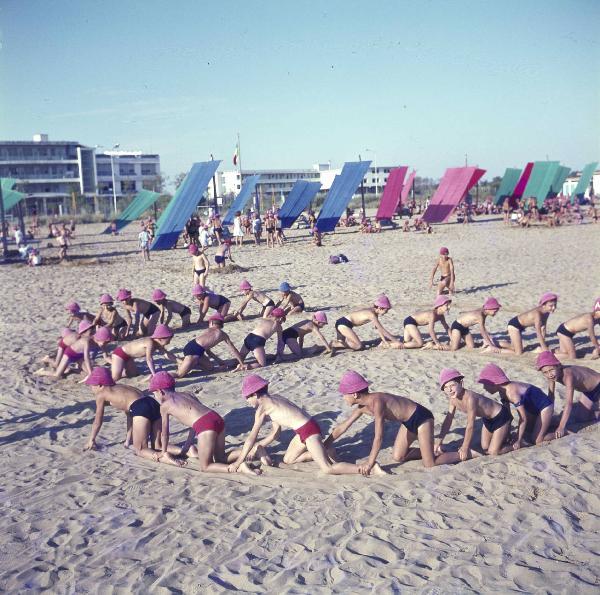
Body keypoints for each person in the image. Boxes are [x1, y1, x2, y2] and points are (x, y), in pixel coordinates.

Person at [229, 374, 383, 475]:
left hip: (308, 431)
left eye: (247, 397)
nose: (247, 402)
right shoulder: (274, 399)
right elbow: (276, 432)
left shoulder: (262, 408)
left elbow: (250, 438)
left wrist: (238, 462)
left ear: (255, 394)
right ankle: (324, 450)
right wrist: (260, 445)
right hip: (304, 430)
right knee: (288, 460)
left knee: (327, 469)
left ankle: (368, 468)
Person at [325, 371, 460, 470]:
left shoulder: (377, 403)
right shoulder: (362, 407)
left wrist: (370, 462)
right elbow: (343, 427)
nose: (343, 398)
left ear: (355, 394)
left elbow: (379, 437)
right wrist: (325, 444)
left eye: (344, 394)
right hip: (407, 422)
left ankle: (464, 454)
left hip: (421, 417)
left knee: (429, 464)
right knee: (398, 457)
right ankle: (432, 451)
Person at [149, 371, 260, 475]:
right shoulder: (188, 394)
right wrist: (187, 446)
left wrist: (163, 452)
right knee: (220, 458)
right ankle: (254, 452)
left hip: (205, 425)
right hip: (216, 418)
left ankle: (239, 468)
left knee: (205, 466)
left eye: (154, 393)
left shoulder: (164, 406)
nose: (155, 396)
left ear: (160, 391)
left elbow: (165, 433)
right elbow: (194, 423)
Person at [436, 368, 513, 460]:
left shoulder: (470, 398)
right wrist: (439, 440)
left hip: (501, 416)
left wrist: (465, 447)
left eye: (452, 385)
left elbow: (470, 426)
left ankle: (516, 445)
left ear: (461, 383)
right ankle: (505, 437)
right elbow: (448, 420)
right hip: (488, 419)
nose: (449, 389)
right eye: (445, 387)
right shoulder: (453, 399)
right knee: (485, 448)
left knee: (493, 452)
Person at [477, 363, 554, 449]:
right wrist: (507, 434)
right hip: (531, 408)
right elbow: (508, 416)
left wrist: (518, 440)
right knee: (528, 430)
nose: (484, 387)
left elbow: (523, 418)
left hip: (545, 406)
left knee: (536, 439)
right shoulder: (502, 391)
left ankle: (562, 432)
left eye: (485, 384)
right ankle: (551, 422)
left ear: (494, 383)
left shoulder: (511, 393)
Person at [535, 351, 600, 438]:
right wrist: (547, 416)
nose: (549, 374)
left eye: (551, 370)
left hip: (598, 385)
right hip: (588, 392)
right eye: (545, 372)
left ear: (559, 366)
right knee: (582, 418)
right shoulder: (552, 376)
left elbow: (569, 403)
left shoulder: (568, 375)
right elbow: (551, 397)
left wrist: (561, 426)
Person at [34, 321, 111, 380]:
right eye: (90, 331)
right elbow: (86, 358)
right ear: (83, 332)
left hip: (78, 354)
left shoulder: (93, 339)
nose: (91, 333)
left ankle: (68, 368)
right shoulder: (82, 339)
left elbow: (105, 356)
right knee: (57, 373)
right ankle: (42, 370)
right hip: (68, 351)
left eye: (92, 331)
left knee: (87, 370)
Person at [176, 313, 247, 377]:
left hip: (193, 346)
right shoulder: (222, 334)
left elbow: (208, 351)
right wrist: (242, 363)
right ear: (222, 324)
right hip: (194, 351)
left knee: (210, 367)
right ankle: (181, 363)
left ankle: (185, 362)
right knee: (179, 374)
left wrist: (220, 361)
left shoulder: (208, 330)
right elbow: (233, 350)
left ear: (211, 322)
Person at [110, 324, 178, 381]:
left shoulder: (157, 344)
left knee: (133, 374)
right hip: (120, 354)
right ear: (160, 338)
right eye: (168, 340)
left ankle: (118, 369)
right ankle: (112, 371)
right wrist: (154, 374)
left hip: (129, 357)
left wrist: (179, 361)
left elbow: (166, 354)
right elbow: (149, 359)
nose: (169, 342)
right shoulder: (150, 342)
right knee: (115, 378)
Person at [331, 295, 399, 352]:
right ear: (380, 308)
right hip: (344, 324)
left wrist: (384, 341)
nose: (386, 312)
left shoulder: (374, 313)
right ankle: (334, 343)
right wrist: (397, 341)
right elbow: (382, 330)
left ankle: (336, 344)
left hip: (342, 322)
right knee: (358, 346)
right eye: (386, 310)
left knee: (342, 345)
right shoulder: (371, 314)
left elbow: (378, 329)